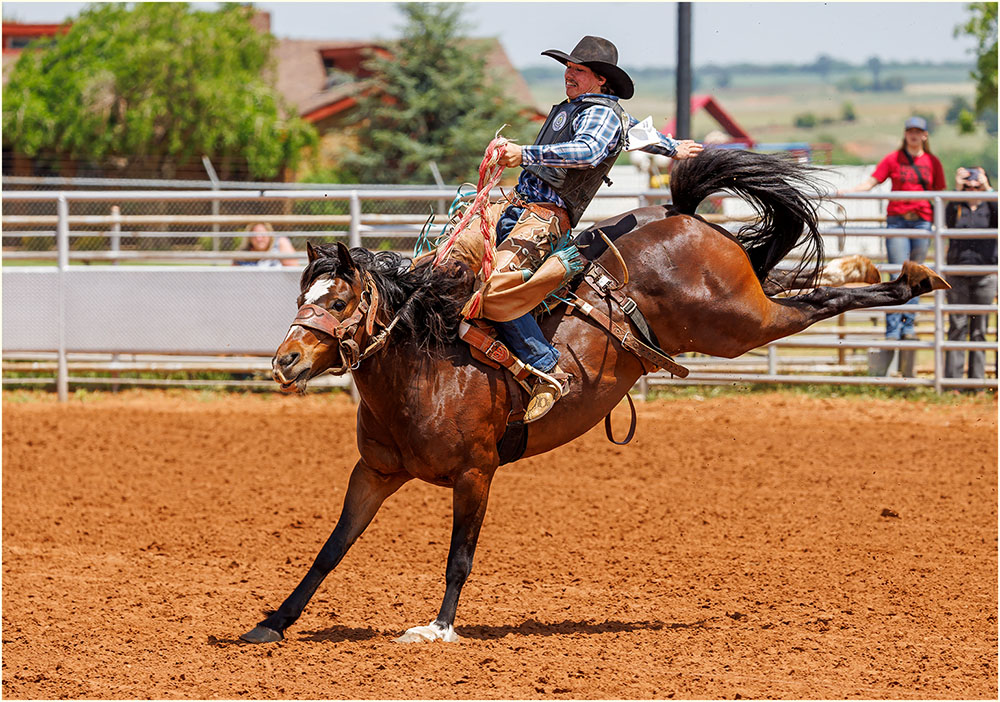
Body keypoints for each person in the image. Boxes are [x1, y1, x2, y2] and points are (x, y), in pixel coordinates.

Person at [445, 36, 702, 422]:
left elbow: (589, 151)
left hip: (543, 217)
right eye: (568, 67)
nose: (569, 74)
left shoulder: (599, 114)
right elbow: (640, 134)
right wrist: (672, 147)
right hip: (512, 207)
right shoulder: (585, 109)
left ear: (600, 80)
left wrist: (523, 154)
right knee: (447, 262)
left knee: (498, 287)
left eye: (578, 69)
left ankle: (546, 367)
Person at [838, 117, 946, 347]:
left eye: (918, 131)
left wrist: (942, 222)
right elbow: (872, 182)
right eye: (910, 131)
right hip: (898, 220)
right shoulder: (893, 159)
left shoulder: (932, 162)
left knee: (915, 274)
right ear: (905, 134)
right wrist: (849, 191)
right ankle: (893, 328)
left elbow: (940, 194)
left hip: (922, 221)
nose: (914, 135)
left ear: (925, 135)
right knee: (899, 271)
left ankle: (908, 326)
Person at [944, 167, 997, 382]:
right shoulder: (957, 205)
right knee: (957, 326)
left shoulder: (990, 206)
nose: (972, 186)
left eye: (976, 183)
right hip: (958, 271)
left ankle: (977, 382)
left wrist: (988, 188)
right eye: (968, 183)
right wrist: (957, 190)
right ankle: (953, 382)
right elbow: (947, 219)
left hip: (984, 273)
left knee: (980, 329)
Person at [234, 222, 298, 267]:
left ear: (269, 235)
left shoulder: (279, 244)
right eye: (254, 235)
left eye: (262, 234)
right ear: (250, 238)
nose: (259, 238)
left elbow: (293, 270)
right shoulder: (242, 257)